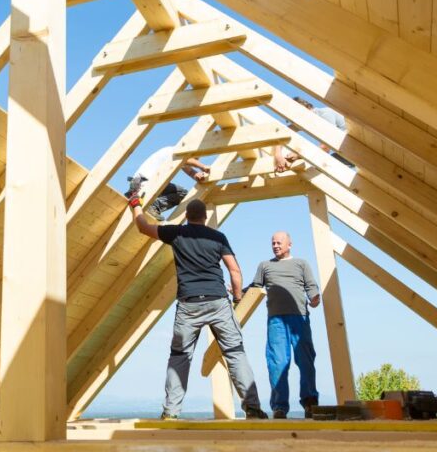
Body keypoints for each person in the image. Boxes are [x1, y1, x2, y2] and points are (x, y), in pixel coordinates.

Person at [126, 194, 267, 420]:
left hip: (188, 304)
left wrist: (135, 204)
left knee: (179, 357)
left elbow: (143, 227)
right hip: (218, 301)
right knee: (235, 353)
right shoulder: (218, 237)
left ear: (187, 216)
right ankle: (253, 408)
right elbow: (235, 271)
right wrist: (238, 297)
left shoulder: (176, 233)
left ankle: (171, 412)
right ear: (204, 217)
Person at [246, 231, 320, 419]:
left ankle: (310, 403)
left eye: (279, 243)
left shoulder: (301, 263)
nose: (276, 246)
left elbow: (311, 286)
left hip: (299, 318)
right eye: (273, 243)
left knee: (305, 361)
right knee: (277, 363)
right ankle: (279, 407)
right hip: (276, 320)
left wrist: (314, 297)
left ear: (289, 244)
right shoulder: (265, 265)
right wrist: (238, 291)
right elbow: (255, 287)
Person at [127, 145, 210, 220]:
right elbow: (187, 159)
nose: (195, 161)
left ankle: (154, 205)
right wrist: (202, 166)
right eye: (195, 159)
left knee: (182, 193)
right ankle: (155, 205)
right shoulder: (174, 151)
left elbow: (191, 172)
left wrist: (197, 176)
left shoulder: (177, 157)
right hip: (144, 182)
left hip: (141, 182)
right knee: (182, 193)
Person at [274, 97, 354, 171]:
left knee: (325, 167)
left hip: (355, 150)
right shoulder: (305, 121)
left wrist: (300, 155)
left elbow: (325, 147)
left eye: (300, 115)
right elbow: (284, 132)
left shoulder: (325, 114)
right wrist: (278, 155)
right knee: (319, 166)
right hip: (344, 152)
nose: (299, 120)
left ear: (307, 108)